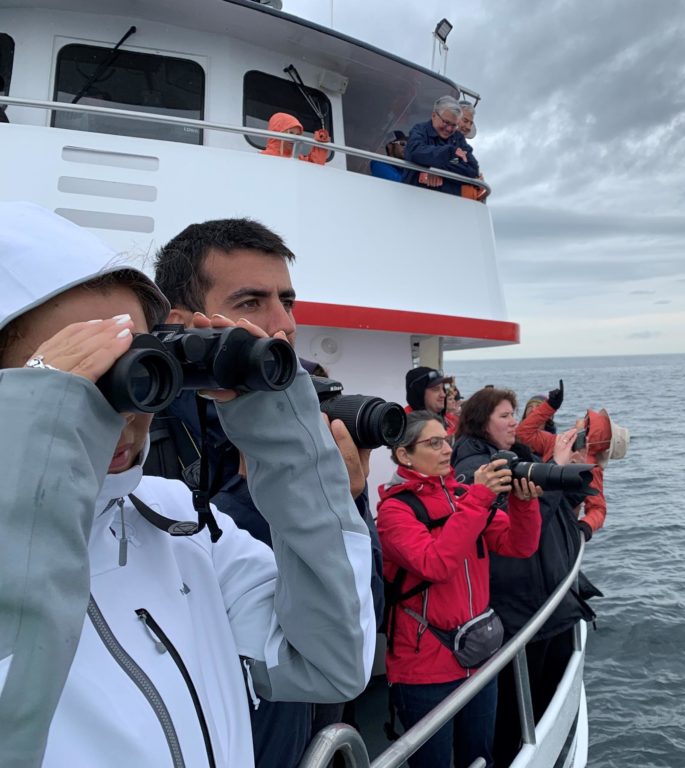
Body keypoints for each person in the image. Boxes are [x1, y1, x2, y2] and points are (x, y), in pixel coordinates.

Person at [0, 202, 376, 767]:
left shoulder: (176, 519)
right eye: (86, 380)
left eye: (137, 368)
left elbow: (331, 662)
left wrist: (290, 449)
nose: (122, 415)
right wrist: (35, 460)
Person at [149, 217, 384, 768]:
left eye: (288, 301)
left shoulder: (303, 418)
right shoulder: (141, 435)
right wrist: (269, 494)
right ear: (184, 324)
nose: (283, 324)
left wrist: (347, 501)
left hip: (299, 709)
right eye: (252, 302)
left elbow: (359, 619)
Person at [376, 411, 541, 768]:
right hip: (424, 668)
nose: (446, 450)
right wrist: (478, 500)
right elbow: (434, 563)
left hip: (478, 656)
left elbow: (519, 545)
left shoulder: (463, 496)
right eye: (433, 443)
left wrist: (524, 504)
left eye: (446, 441)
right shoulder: (395, 512)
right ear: (404, 455)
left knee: (479, 759)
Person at [450, 388, 597, 766]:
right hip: (518, 606)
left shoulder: (517, 458)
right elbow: (517, 530)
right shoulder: (476, 468)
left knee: (543, 698)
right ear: (482, 421)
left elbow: (556, 509)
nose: (514, 421)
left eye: (514, 413)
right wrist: (555, 469)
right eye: (504, 415)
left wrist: (568, 470)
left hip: (543, 601)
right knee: (516, 710)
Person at [516, 380, 617, 540]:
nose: (581, 421)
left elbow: (598, 508)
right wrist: (550, 406)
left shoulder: (591, 469)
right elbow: (523, 433)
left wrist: (585, 527)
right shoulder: (557, 441)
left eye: (587, 422)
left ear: (592, 432)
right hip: (538, 511)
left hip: (556, 524)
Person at [403, 96, 480, 197]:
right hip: (413, 197)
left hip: (449, 203)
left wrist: (435, 167)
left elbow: (472, 169)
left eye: (454, 125)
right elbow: (415, 153)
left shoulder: (459, 139)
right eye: (446, 122)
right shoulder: (419, 130)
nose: (449, 129)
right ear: (434, 115)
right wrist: (449, 153)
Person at [261, 111, 331, 165]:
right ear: (278, 132)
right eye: (291, 133)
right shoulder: (261, 158)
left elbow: (315, 166)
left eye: (297, 135)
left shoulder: (298, 159)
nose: (294, 138)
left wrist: (320, 145)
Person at [406, 365, 458, 434]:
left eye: (443, 389)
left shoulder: (451, 420)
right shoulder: (405, 427)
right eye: (436, 389)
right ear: (419, 393)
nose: (443, 394)